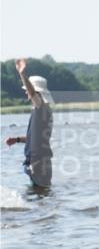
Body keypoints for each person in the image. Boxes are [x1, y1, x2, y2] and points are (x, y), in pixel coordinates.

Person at [5, 59, 54, 189]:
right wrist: (17, 139)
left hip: (39, 165)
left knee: (38, 197)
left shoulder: (41, 107)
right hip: (40, 164)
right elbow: (35, 138)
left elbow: (32, 93)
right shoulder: (41, 111)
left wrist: (22, 74)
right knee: (38, 198)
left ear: (37, 92)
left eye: (27, 89)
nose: (26, 91)